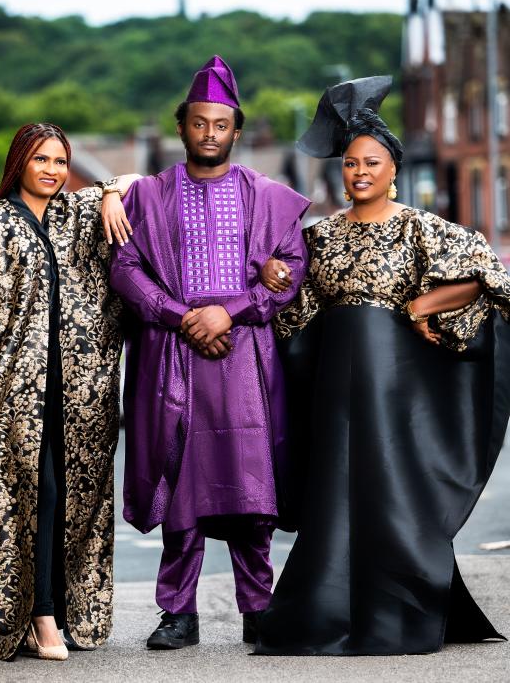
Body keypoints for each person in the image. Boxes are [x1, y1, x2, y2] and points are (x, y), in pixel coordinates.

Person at [254, 76, 510, 656]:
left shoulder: (420, 227)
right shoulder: (318, 237)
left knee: (391, 491)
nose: (359, 173)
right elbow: (293, 312)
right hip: (333, 389)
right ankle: (320, 611)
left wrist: (426, 302)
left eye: (371, 162)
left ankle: (402, 610)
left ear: (393, 167)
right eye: (349, 164)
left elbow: (489, 276)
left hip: (396, 389)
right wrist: (273, 277)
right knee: (334, 495)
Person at [108, 56, 310, 650]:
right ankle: (178, 613)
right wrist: (182, 316)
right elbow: (125, 268)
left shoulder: (268, 197)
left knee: (253, 494)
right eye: (199, 124)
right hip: (173, 355)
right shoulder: (147, 196)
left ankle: (259, 608)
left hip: (247, 356)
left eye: (221, 125)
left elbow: (291, 269)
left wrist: (234, 310)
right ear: (182, 128)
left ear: (236, 130)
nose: (210, 134)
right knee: (180, 487)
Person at [0, 123, 136, 660]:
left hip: (71, 395)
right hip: (3, 391)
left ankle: (50, 611)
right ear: (19, 162)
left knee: (65, 500)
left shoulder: (77, 216)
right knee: (17, 502)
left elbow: (146, 182)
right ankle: (36, 618)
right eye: (40, 159)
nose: (51, 169)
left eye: (60, 160)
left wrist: (113, 188)